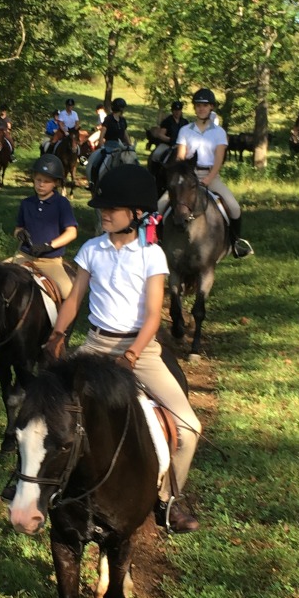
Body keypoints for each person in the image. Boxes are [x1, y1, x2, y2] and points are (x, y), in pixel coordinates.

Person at [44, 164, 202, 533]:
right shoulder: (91, 249)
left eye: (112, 208)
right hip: (96, 343)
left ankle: (166, 500)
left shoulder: (152, 255)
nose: (103, 212)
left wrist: (131, 355)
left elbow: (152, 316)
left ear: (135, 214)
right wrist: (57, 335)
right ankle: (38, 486)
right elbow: (74, 298)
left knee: (190, 427)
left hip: (140, 350)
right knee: (49, 408)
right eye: (102, 207)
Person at [163, 87, 253, 258]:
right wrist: (180, 176)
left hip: (209, 176)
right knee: (161, 206)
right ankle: (158, 241)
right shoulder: (185, 130)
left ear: (211, 107)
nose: (201, 108)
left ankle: (236, 243)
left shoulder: (219, 133)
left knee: (234, 207)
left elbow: (218, 159)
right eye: (198, 105)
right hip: (187, 177)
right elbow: (181, 157)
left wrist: (209, 178)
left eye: (204, 105)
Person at [7, 154, 78, 299]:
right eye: (38, 180)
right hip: (24, 256)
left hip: (50, 260)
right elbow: (18, 228)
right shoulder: (26, 203)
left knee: (68, 291)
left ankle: (63, 321)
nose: (41, 184)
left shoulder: (62, 203)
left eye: (46, 181)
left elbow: (71, 232)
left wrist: (48, 246)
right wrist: (19, 233)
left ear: (56, 183)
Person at [88, 97, 129, 186]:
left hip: (120, 146)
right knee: (98, 159)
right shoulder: (108, 119)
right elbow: (102, 134)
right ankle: (93, 181)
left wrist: (129, 146)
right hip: (109, 145)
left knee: (132, 160)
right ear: (120, 108)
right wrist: (101, 145)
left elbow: (125, 134)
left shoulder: (123, 120)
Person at [150, 100, 189, 164]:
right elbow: (161, 135)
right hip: (167, 145)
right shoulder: (167, 121)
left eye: (179, 110)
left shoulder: (185, 122)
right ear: (172, 111)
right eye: (175, 110)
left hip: (181, 145)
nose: (177, 112)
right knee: (156, 155)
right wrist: (170, 139)